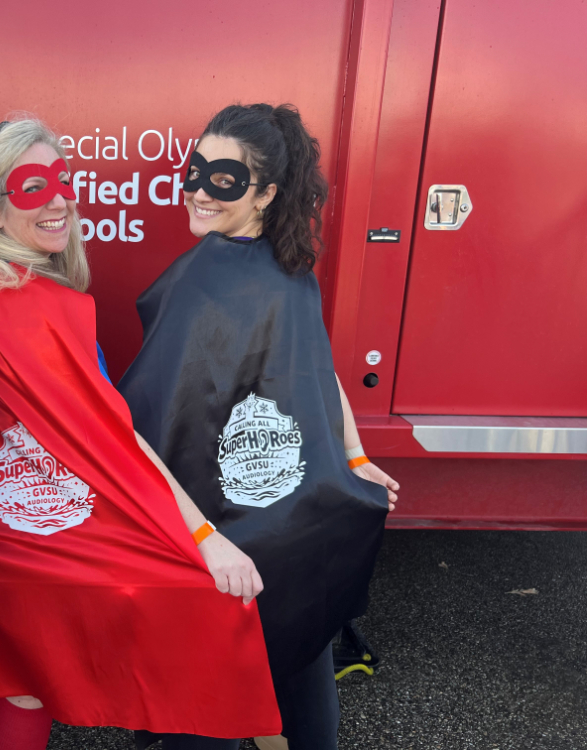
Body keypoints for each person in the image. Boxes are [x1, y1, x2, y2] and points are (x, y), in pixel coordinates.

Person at [0, 118, 282, 750]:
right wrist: (204, 538)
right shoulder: (29, 307)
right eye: (31, 186)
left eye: (60, 180)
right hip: (25, 537)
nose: (57, 200)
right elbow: (112, 440)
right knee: (34, 681)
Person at [118, 103, 398, 750]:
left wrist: (356, 456)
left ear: (266, 193)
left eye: (223, 179)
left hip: (245, 541)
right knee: (284, 685)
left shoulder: (252, 281)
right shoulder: (260, 275)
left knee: (234, 705)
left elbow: (314, 370)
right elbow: (149, 422)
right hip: (262, 537)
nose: (198, 190)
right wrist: (350, 456)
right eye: (195, 171)